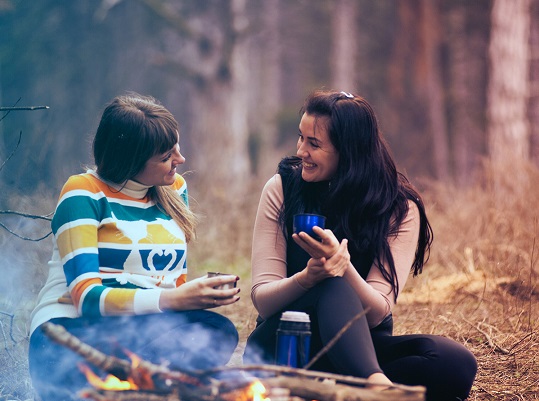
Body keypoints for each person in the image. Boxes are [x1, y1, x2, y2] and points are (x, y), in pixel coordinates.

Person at [244, 90, 477, 401]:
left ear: (349, 152)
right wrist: (308, 278)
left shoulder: (399, 207)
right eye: (300, 138)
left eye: (314, 144)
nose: (301, 151)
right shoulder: (282, 188)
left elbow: (378, 312)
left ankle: (352, 386)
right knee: (329, 284)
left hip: (357, 350)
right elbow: (264, 299)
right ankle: (375, 387)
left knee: (454, 362)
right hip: (285, 346)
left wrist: (345, 268)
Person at [28, 93, 240, 401]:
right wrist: (174, 299)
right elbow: (87, 299)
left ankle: (131, 389)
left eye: (177, 148)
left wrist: (196, 297)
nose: (179, 161)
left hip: (139, 334)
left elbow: (171, 283)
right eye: (167, 156)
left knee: (217, 331)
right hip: (71, 335)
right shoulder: (83, 193)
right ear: (130, 160)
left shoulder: (173, 189)